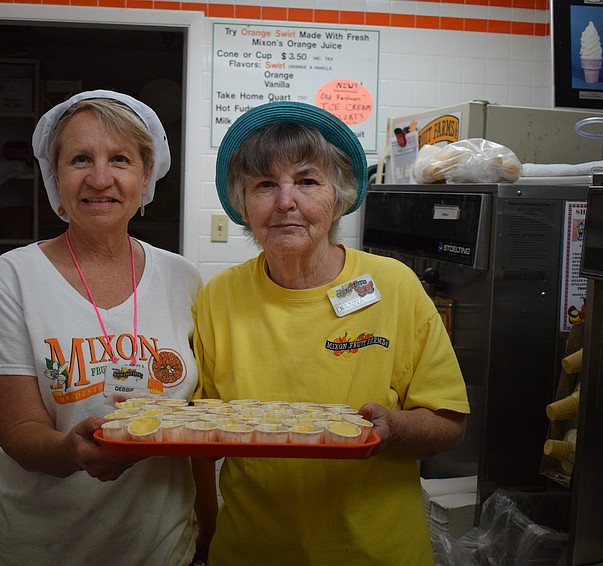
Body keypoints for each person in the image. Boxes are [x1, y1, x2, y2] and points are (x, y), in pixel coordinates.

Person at [191, 101, 470, 565]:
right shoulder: (219, 297)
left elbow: (449, 424)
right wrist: (205, 529)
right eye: (265, 185)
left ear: (338, 197)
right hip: (252, 550)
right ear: (242, 204)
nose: (285, 202)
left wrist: (392, 429)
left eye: (307, 181)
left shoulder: (394, 286)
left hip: (376, 553)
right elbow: (199, 432)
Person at [0, 90, 205, 565]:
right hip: (42, 547)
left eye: (120, 159)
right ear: (55, 177)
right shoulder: (12, 277)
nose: (100, 178)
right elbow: (20, 430)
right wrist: (70, 451)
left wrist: (210, 528)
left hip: (160, 544)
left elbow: (196, 419)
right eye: (80, 159)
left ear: (145, 176)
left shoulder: (184, 279)